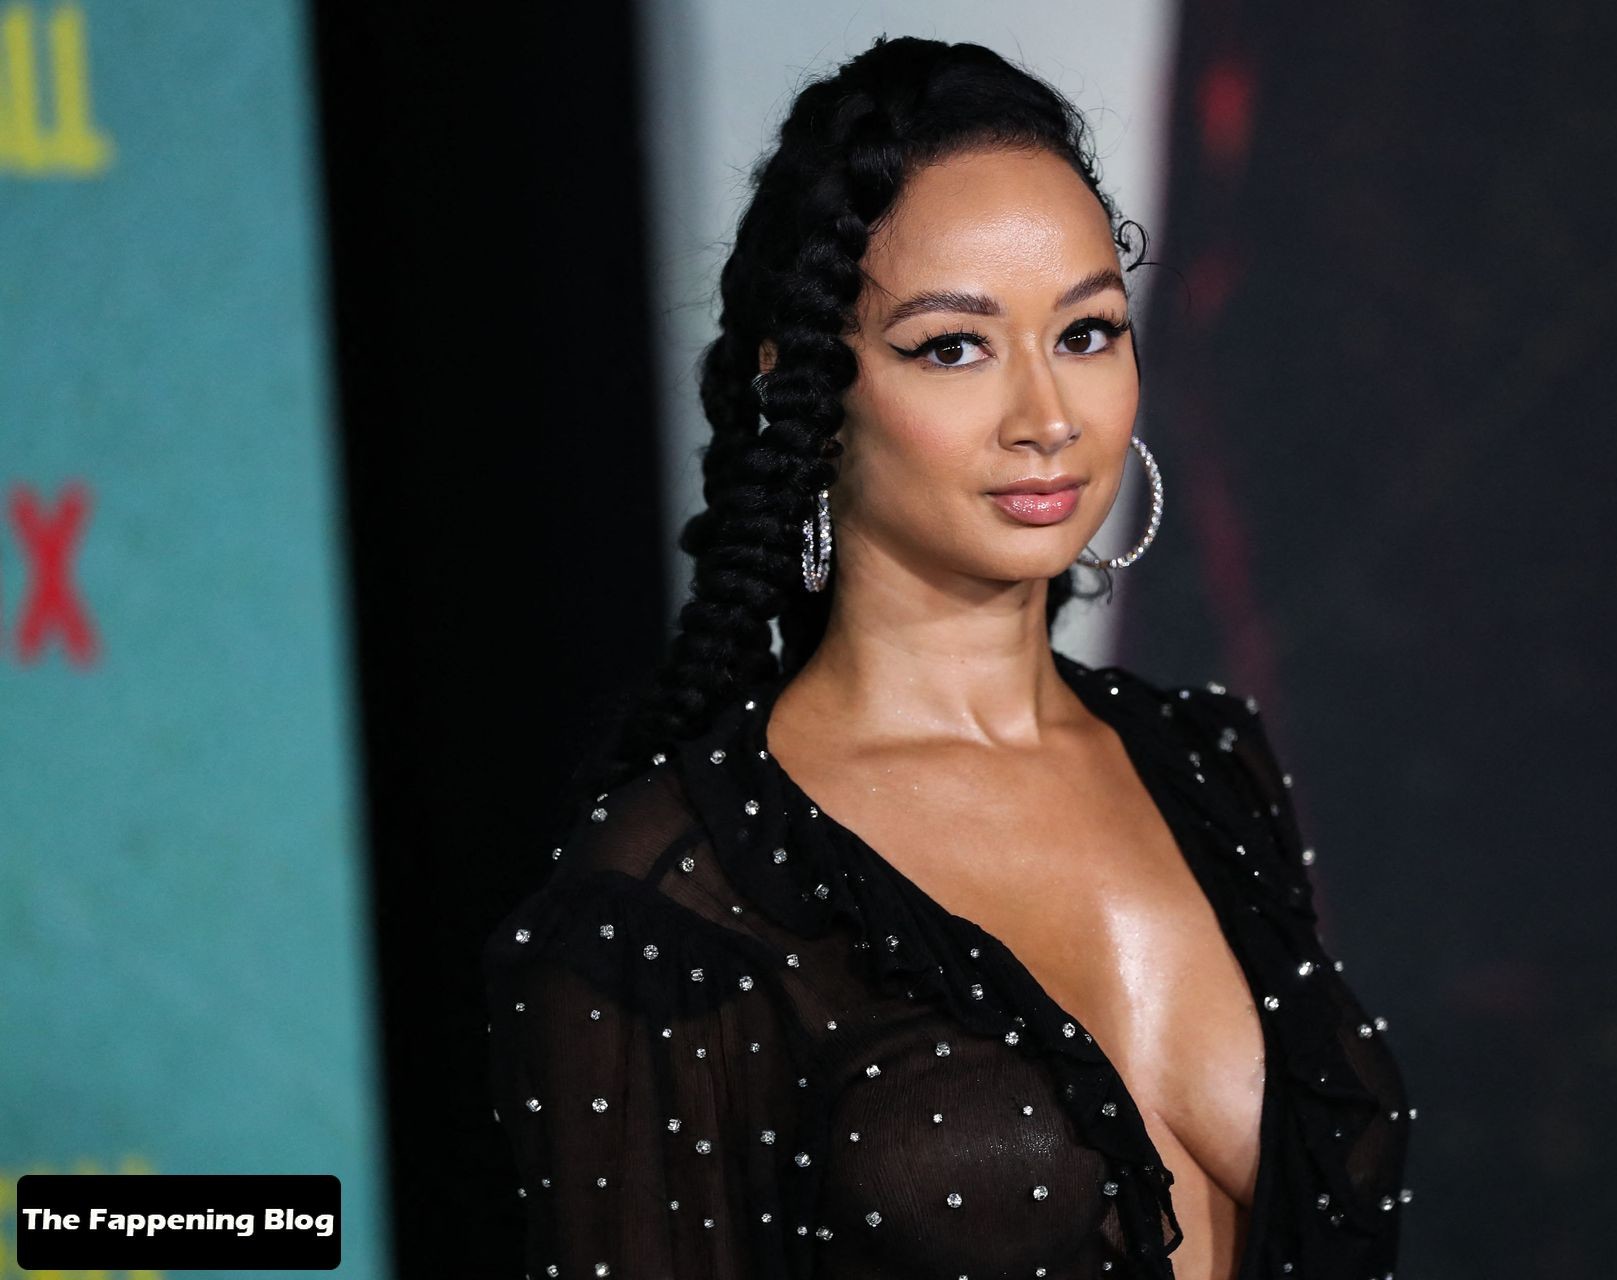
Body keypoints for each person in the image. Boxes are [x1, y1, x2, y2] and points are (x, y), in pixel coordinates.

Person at [482, 34, 1412, 1280]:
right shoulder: (671, 897)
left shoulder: (1213, 763)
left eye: (1086, 331)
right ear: (807, 392)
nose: (1048, 416)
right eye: (953, 346)